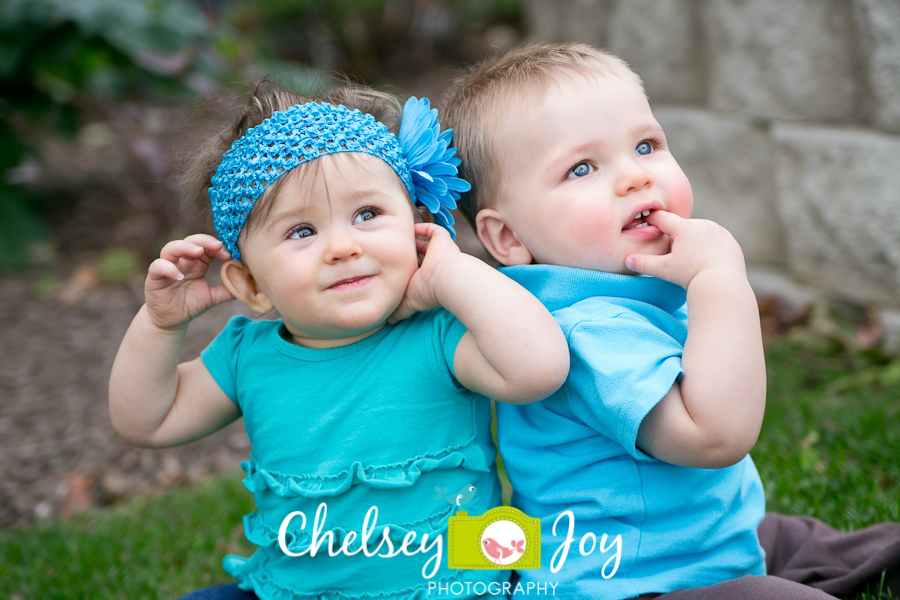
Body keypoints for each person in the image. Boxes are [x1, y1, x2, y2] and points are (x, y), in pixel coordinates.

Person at [441, 43, 900, 600]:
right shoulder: (588, 330)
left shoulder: (627, 290)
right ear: (508, 239)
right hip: (636, 584)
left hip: (703, 536)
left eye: (646, 144)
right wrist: (719, 279)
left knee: (820, 542)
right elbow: (715, 437)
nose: (635, 176)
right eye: (581, 167)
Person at [108, 82, 570, 600]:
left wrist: (449, 276)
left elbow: (539, 369)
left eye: (367, 214)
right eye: (301, 231)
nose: (343, 247)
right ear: (252, 286)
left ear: (417, 229)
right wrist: (161, 323)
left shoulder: (439, 334)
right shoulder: (247, 356)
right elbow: (146, 419)